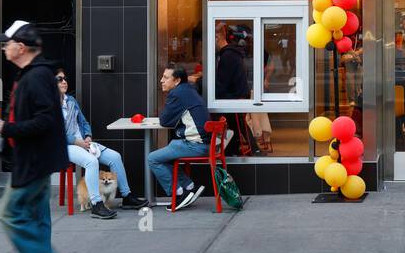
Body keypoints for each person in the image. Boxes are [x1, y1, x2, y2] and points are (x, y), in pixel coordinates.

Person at [0, 21, 75, 253]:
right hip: (36, 160)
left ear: (20, 47)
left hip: (33, 162)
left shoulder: (35, 77)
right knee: (34, 218)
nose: (4, 48)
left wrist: (4, 128)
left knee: (9, 215)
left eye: (7, 43)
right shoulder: (34, 74)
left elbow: (45, 121)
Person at [56, 68, 148, 218]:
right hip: (65, 146)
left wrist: (87, 136)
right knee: (92, 162)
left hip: (83, 143)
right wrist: (77, 141)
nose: (64, 81)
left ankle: (127, 197)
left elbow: (84, 122)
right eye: (59, 79)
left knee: (115, 157)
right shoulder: (49, 105)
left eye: (65, 78)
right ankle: (96, 204)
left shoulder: (70, 100)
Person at [147, 62, 210, 211]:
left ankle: (178, 194)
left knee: (152, 158)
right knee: (165, 155)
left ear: (177, 81)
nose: (161, 80)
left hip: (196, 145)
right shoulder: (188, 90)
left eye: (165, 77)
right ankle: (188, 187)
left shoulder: (177, 94)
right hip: (203, 143)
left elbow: (164, 120)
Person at [216, 23, 258, 155]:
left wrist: (203, 81)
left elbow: (223, 82)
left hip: (234, 97)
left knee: (235, 124)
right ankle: (246, 149)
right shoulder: (232, 53)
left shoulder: (227, 56)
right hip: (238, 95)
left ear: (217, 37)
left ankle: (237, 149)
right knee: (238, 124)